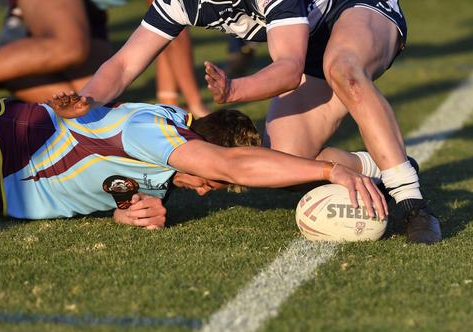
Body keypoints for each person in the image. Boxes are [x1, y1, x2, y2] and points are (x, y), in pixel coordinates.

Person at [48, 0, 442, 243]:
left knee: (344, 67)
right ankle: (381, 168)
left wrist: (234, 89)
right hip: (310, 53)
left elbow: (288, 69)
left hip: (358, 10)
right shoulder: (182, 1)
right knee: (288, 163)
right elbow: (123, 63)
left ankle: (413, 206)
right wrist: (87, 99)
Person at [0, 90, 387, 229]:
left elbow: (101, 184)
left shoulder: (162, 176)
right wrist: (328, 170)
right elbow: (237, 167)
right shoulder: (150, 132)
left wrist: (124, 213)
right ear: (205, 150)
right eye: (208, 182)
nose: (203, 190)